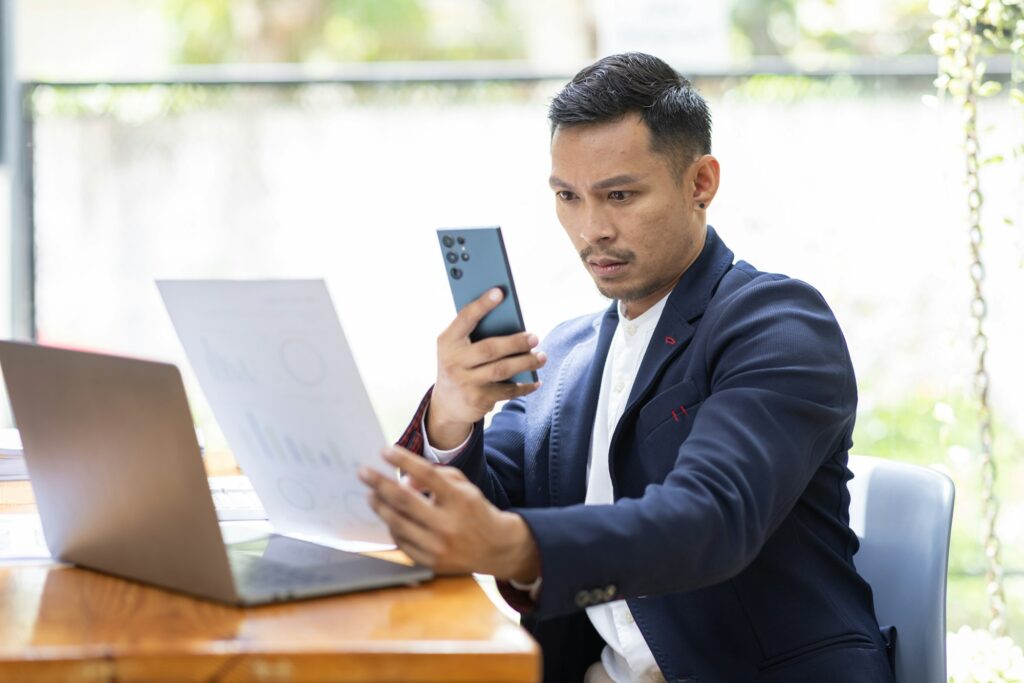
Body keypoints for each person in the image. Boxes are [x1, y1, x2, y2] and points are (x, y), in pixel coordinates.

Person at [358, 52, 896, 683]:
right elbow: (485, 500)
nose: (592, 229)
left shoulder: (776, 325)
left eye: (619, 195)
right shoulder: (566, 354)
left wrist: (515, 546)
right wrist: (451, 414)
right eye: (568, 197)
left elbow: (711, 517)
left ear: (700, 183)